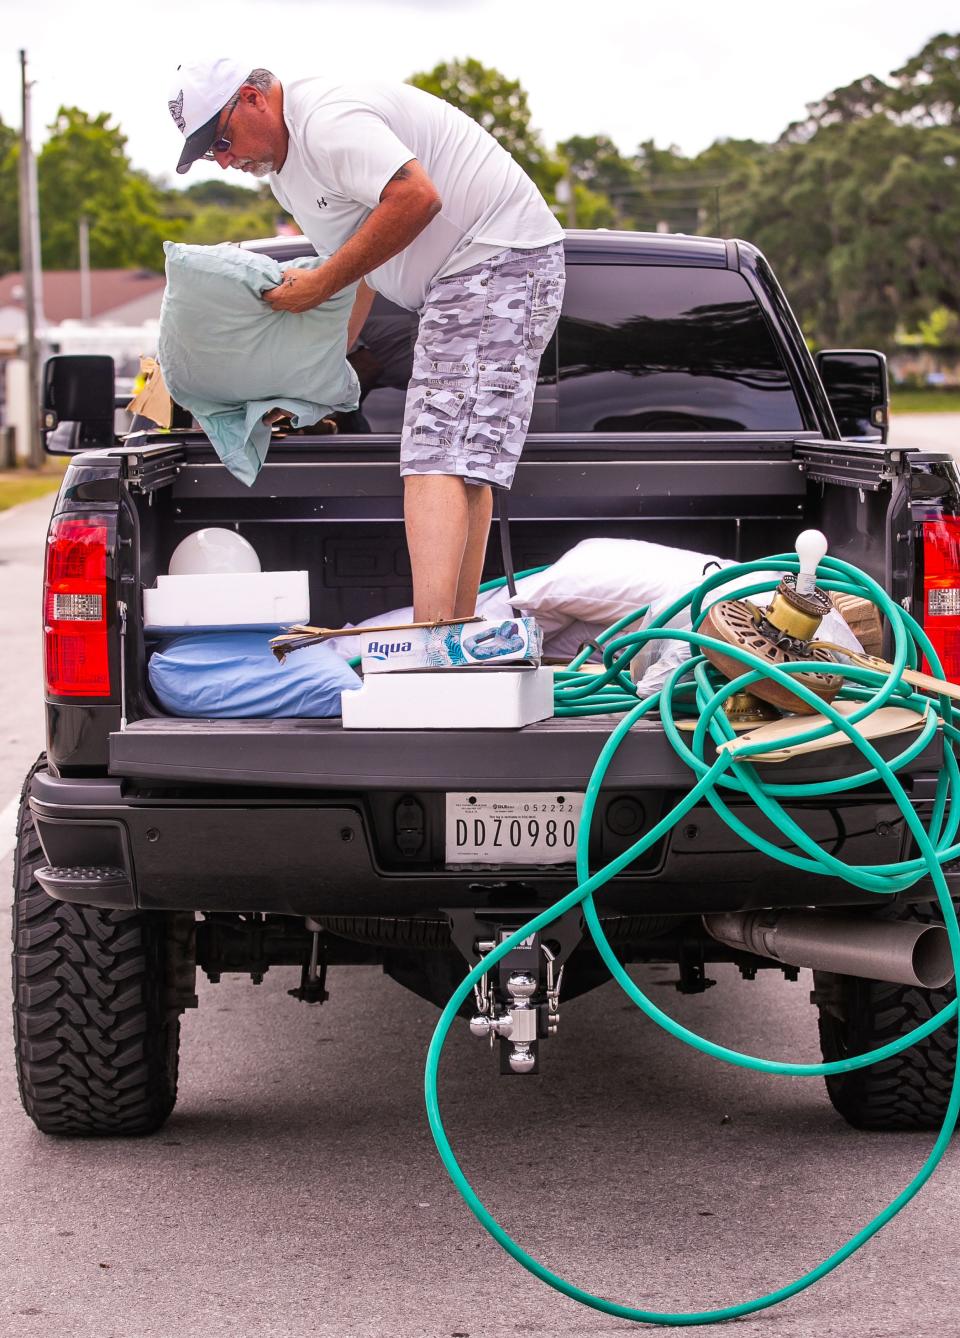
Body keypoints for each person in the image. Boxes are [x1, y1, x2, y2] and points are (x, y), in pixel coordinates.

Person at [167, 58, 565, 622]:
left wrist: (319, 285)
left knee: (434, 459)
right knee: (459, 464)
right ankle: (455, 631)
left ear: (253, 98)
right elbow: (357, 264)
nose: (226, 160)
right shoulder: (287, 172)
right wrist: (318, 375)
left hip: (495, 259)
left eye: (223, 139)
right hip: (486, 270)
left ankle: (434, 642)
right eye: (212, 153)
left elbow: (417, 198)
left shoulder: (326, 120)